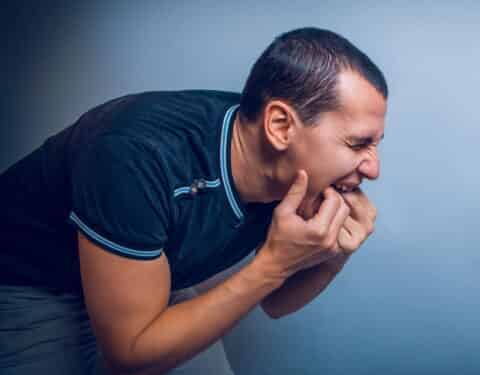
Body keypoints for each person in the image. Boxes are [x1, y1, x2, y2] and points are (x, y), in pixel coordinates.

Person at [0, 27, 387, 374]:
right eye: (358, 144)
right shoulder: (137, 156)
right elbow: (129, 354)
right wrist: (272, 265)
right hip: (29, 284)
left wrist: (332, 257)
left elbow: (276, 303)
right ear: (280, 126)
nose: (373, 169)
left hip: (151, 272)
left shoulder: (297, 171)